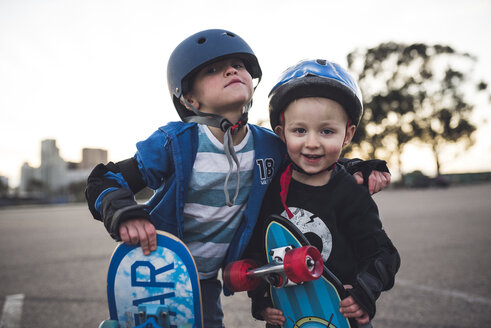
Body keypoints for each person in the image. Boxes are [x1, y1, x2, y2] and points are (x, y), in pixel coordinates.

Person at [85, 29, 390, 328]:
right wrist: (126, 214)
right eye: (214, 69)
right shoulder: (175, 143)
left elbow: (313, 156)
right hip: (163, 266)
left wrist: (356, 168)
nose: (232, 70)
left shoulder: (269, 146)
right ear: (190, 99)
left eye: (239, 65)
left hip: (205, 277)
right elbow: (105, 179)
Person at [245, 59, 400, 327]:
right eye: (300, 130)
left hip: (340, 314)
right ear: (282, 133)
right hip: (287, 316)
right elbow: (260, 252)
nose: (312, 143)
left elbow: (382, 254)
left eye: (327, 131)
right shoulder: (269, 188)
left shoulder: (350, 192)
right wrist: (263, 300)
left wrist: (364, 292)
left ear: (347, 135)